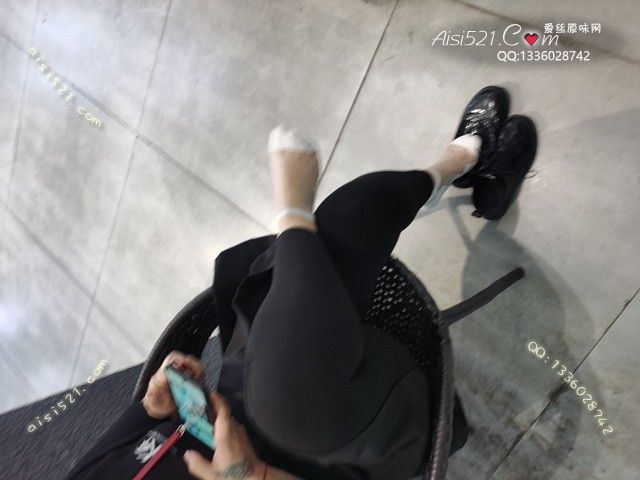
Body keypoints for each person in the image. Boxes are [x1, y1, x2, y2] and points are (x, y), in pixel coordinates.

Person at [64, 86, 537, 480]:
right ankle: (298, 213)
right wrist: (251, 476)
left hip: (240, 406)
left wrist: (152, 407)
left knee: (329, 226)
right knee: (287, 396)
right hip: (322, 453)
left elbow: (124, 441)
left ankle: (457, 168)